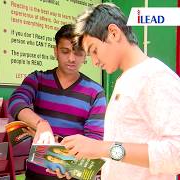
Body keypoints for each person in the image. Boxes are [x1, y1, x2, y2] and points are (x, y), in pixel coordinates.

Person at [60, 3, 180, 180]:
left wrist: (102, 148)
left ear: (114, 33)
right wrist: (80, 162)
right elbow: (123, 151)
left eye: (94, 50)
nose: (94, 61)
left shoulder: (155, 77)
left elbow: (176, 152)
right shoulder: (125, 79)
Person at [8, 24, 106, 180]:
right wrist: (41, 124)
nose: (72, 58)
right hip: (36, 174)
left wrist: (65, 160)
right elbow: (16, 102)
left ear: (85, 55)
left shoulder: (95, 92)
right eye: (65, 51)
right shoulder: (38, 79)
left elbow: (94, 140)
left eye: (78, 53)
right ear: (56, 51)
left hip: (72, 173)